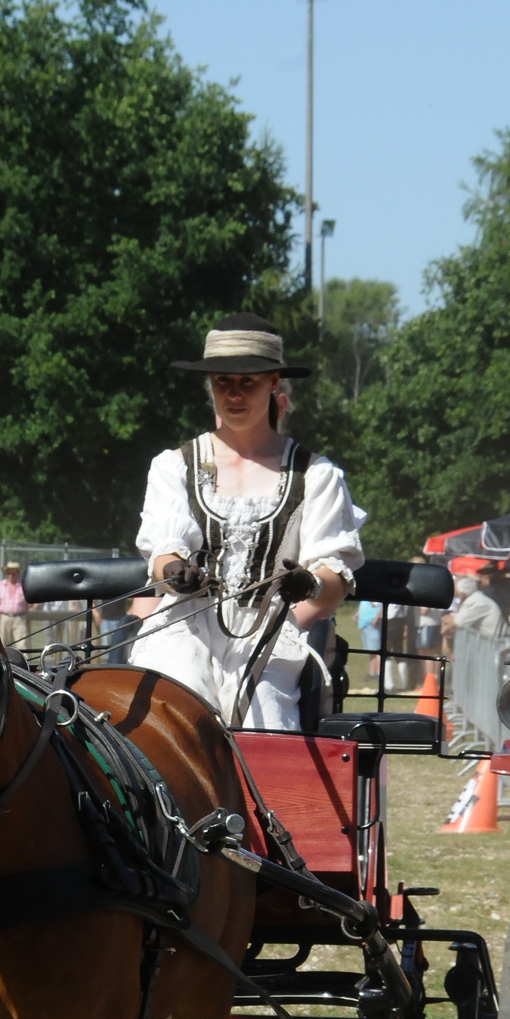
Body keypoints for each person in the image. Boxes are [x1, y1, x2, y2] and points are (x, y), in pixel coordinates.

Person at [135, 312, 363, 728]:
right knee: (176, 708)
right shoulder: (175, 466)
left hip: (271, 630)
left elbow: (335, 574)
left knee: (265, 721)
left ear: (274, 381)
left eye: (248, 381)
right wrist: (173, 571)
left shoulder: (315, 474)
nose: (233, 394)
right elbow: (162, 550)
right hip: (185, 622)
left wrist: (309, 583)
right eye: (222, 380)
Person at [0, 560, 29, 647]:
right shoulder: (0, 585)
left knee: (22, 644)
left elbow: (28, 602)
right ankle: (2, 660)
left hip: (19, 618)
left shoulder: (23, 586)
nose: (11, 576)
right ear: (6, 573)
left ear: (17, 573)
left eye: (13, 573)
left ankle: (24, 660)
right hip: (5, 617)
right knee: (2, 644)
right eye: (9, 573)